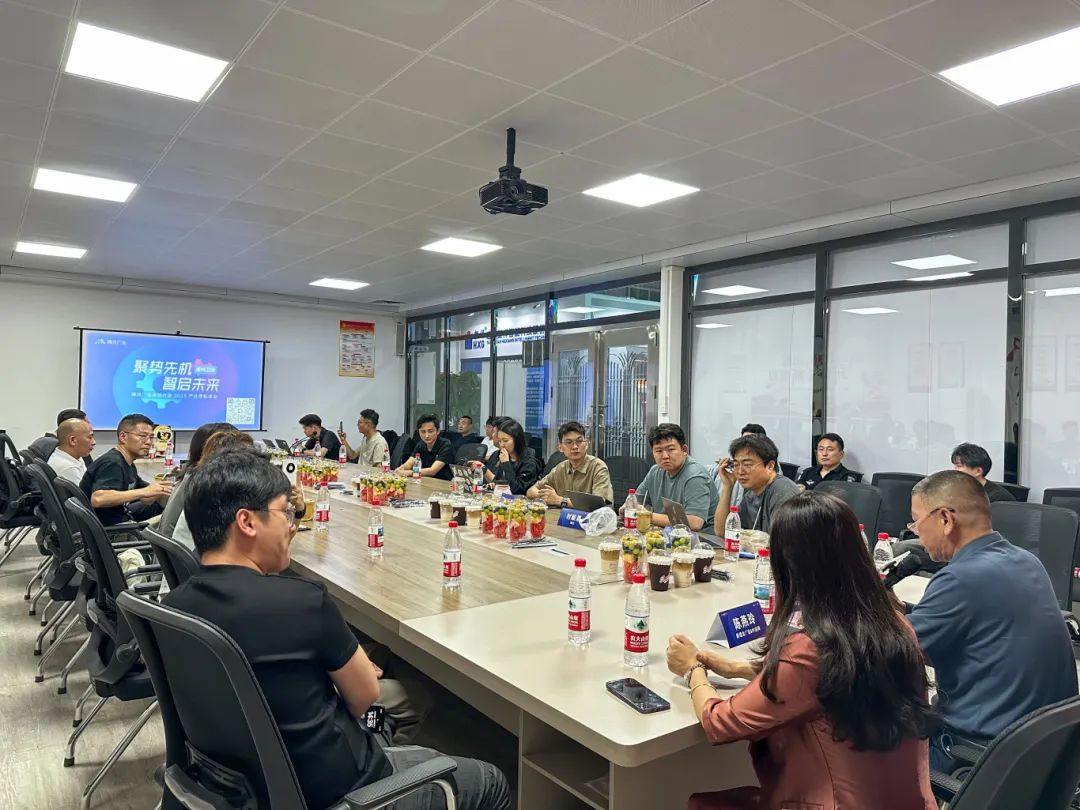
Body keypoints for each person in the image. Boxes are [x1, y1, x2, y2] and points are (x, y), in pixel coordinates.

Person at [164, 449, 511, 810]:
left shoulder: (174, 606)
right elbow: (364, 698)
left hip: (237, 788)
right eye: (285, 512)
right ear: (247, 522)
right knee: (489, 780)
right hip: (334, 791)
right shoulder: (301, 600)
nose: (292, 525)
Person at [666, 492, 938, 810]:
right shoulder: (894, 623)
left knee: (701, 804)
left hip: (837, 803)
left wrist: (692, 670)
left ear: (788, 563)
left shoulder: (814, 646)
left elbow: (720, 723)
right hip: (907, 802)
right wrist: (740, 669)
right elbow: (836, 678)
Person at [904, 470, 1077, 769]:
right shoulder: (1026, 560)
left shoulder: (959, 579)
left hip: (977, 752)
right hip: (1044, 746)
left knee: (868, 751)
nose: (915, 533)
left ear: (945, 519)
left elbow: (893, 650)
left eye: (916, 522)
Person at [80, 413, 172, 525]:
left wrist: (162, 489)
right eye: (143, 436)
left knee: (160, 507)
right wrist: (144, 492)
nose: (148, 442)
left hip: (119, 518)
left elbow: (146, 496)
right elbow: (98, 499)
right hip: (109, 529)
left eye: (151, 437)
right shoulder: (113, 463)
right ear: (123, 437)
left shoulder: (128, 463)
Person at [634, 424, 719, 532]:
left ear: (684, 450)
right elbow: (635, 501)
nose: (665, 456)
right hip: (668, 533)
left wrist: (647, 516)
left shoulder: (695, 475)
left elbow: (695, 523)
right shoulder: (655, 471)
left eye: (670, 449)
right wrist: (628, 508)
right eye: (659, 451)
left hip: (702, 538)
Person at [715, 434, 799, 536]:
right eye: (736, 465)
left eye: (747, 465)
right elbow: (722, 532)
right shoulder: (751, 494)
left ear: (770, 466)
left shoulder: (783, 491)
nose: (740, 471)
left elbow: (782, 541)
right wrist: (727, 486)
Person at [527, 421, 613, 506]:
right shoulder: (560, 468)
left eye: (579, 441)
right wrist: (546, 497)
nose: (575, 447)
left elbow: (598, 504)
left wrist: (559, 500)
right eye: (569, 442)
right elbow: (531, 491)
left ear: (586, 444)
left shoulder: (598, 467)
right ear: (560, 447)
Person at [480, 417, 541, 495]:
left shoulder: (528, 461)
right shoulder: (503, 455)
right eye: (499, 441)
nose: (501, 445)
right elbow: (498, 481)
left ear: (517, 440)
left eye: (505, 441)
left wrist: (506, 464)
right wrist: (493, 485)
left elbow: (516, 490)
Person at [394, 415, 454, 481]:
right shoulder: (420, 444)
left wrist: (408, 473)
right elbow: (409, 464)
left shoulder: (446, 445)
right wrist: (400, 469)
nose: (426, 436)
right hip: (424, 480)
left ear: (438, 431)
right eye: (423, 432)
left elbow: (432, 471)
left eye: (430, 431)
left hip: (442, 483)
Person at [949, 442, 1014, 502]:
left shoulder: (999, 498)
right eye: (955, 466)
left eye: (959, 466)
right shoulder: (956, 490)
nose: (955, 470)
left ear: (978, 471)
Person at [796, 433, 862, 490]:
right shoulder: (807, 472)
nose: (824, 454)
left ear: (841, 454)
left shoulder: (847, 477)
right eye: (821, 449)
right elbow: (797, 493)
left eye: (830, 449)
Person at [48, 417, 96, 486]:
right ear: (73, 440)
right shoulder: (68, 468)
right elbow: (84, 492)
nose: (94, 442)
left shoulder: (74, 457)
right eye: (90, 437)